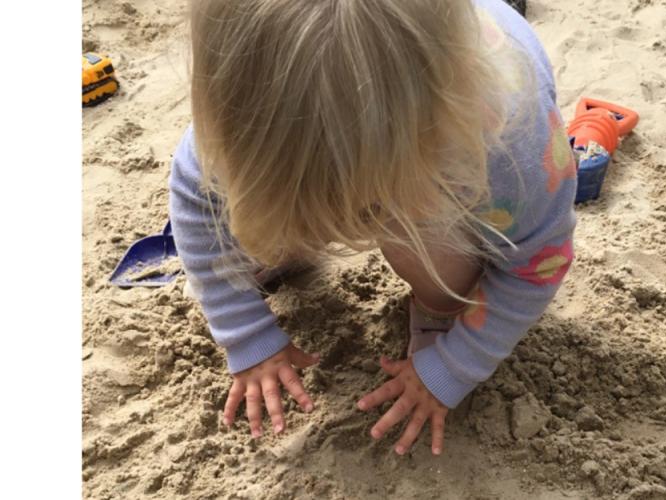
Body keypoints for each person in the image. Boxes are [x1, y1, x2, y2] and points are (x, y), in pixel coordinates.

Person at [169, 0, 576, 457]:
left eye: (365, 211)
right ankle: (282, 231)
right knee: (251, 208)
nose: (343, 234)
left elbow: (537, 263)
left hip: (451, 167)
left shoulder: (508, 146)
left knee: (430, 242)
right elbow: (194, 200)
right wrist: (246, 334)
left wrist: (455, 366)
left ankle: (443, 309)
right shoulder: (252, 122)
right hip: (385, 144)